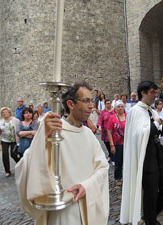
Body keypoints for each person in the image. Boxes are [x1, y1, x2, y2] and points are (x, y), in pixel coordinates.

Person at [15, 82, 109, 225]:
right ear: (71, 104)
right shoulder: (54, 132)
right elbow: (28, 164)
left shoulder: (89, 135)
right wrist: (43, 136)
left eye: (91, 101)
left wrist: (87, 186)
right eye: (86, 101)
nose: (92, 105)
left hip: (87, 203)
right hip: (64, 212)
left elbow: (102, 166)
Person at [120, 81, 163, 225]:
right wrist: (159, 121)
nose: (155, 96)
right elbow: (140, 134)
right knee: (150, 195)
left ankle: (150, 215)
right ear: (143, 93)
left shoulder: (152, 110)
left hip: (158, 156)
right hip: (146, 160)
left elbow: (153, 132)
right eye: (152, 93)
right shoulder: (135, 111)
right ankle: (151, 220)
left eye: (156, 93)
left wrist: (162, 138)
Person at [107, 100, 127, 187]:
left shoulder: (128, 116)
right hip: (117, 144)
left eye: (122, 106)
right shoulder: (112, 118)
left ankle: (127, 177)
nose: (120, 108)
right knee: (118, 162)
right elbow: (109, 131)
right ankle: (118, 178)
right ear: (115, 109)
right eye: (118, 107)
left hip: (127, 143)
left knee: (127, 161)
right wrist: (112, 145)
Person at [0, 107, 20, 177]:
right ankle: (7, 171)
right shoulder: (0, 121)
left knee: (13, 154)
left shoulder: (15, 120)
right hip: (4, 140)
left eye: (6, 112)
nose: (4, 113)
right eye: (3, 112)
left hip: (13, 140)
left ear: (9, 112)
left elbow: (19, 129)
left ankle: (21, 165)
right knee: (5, 155)